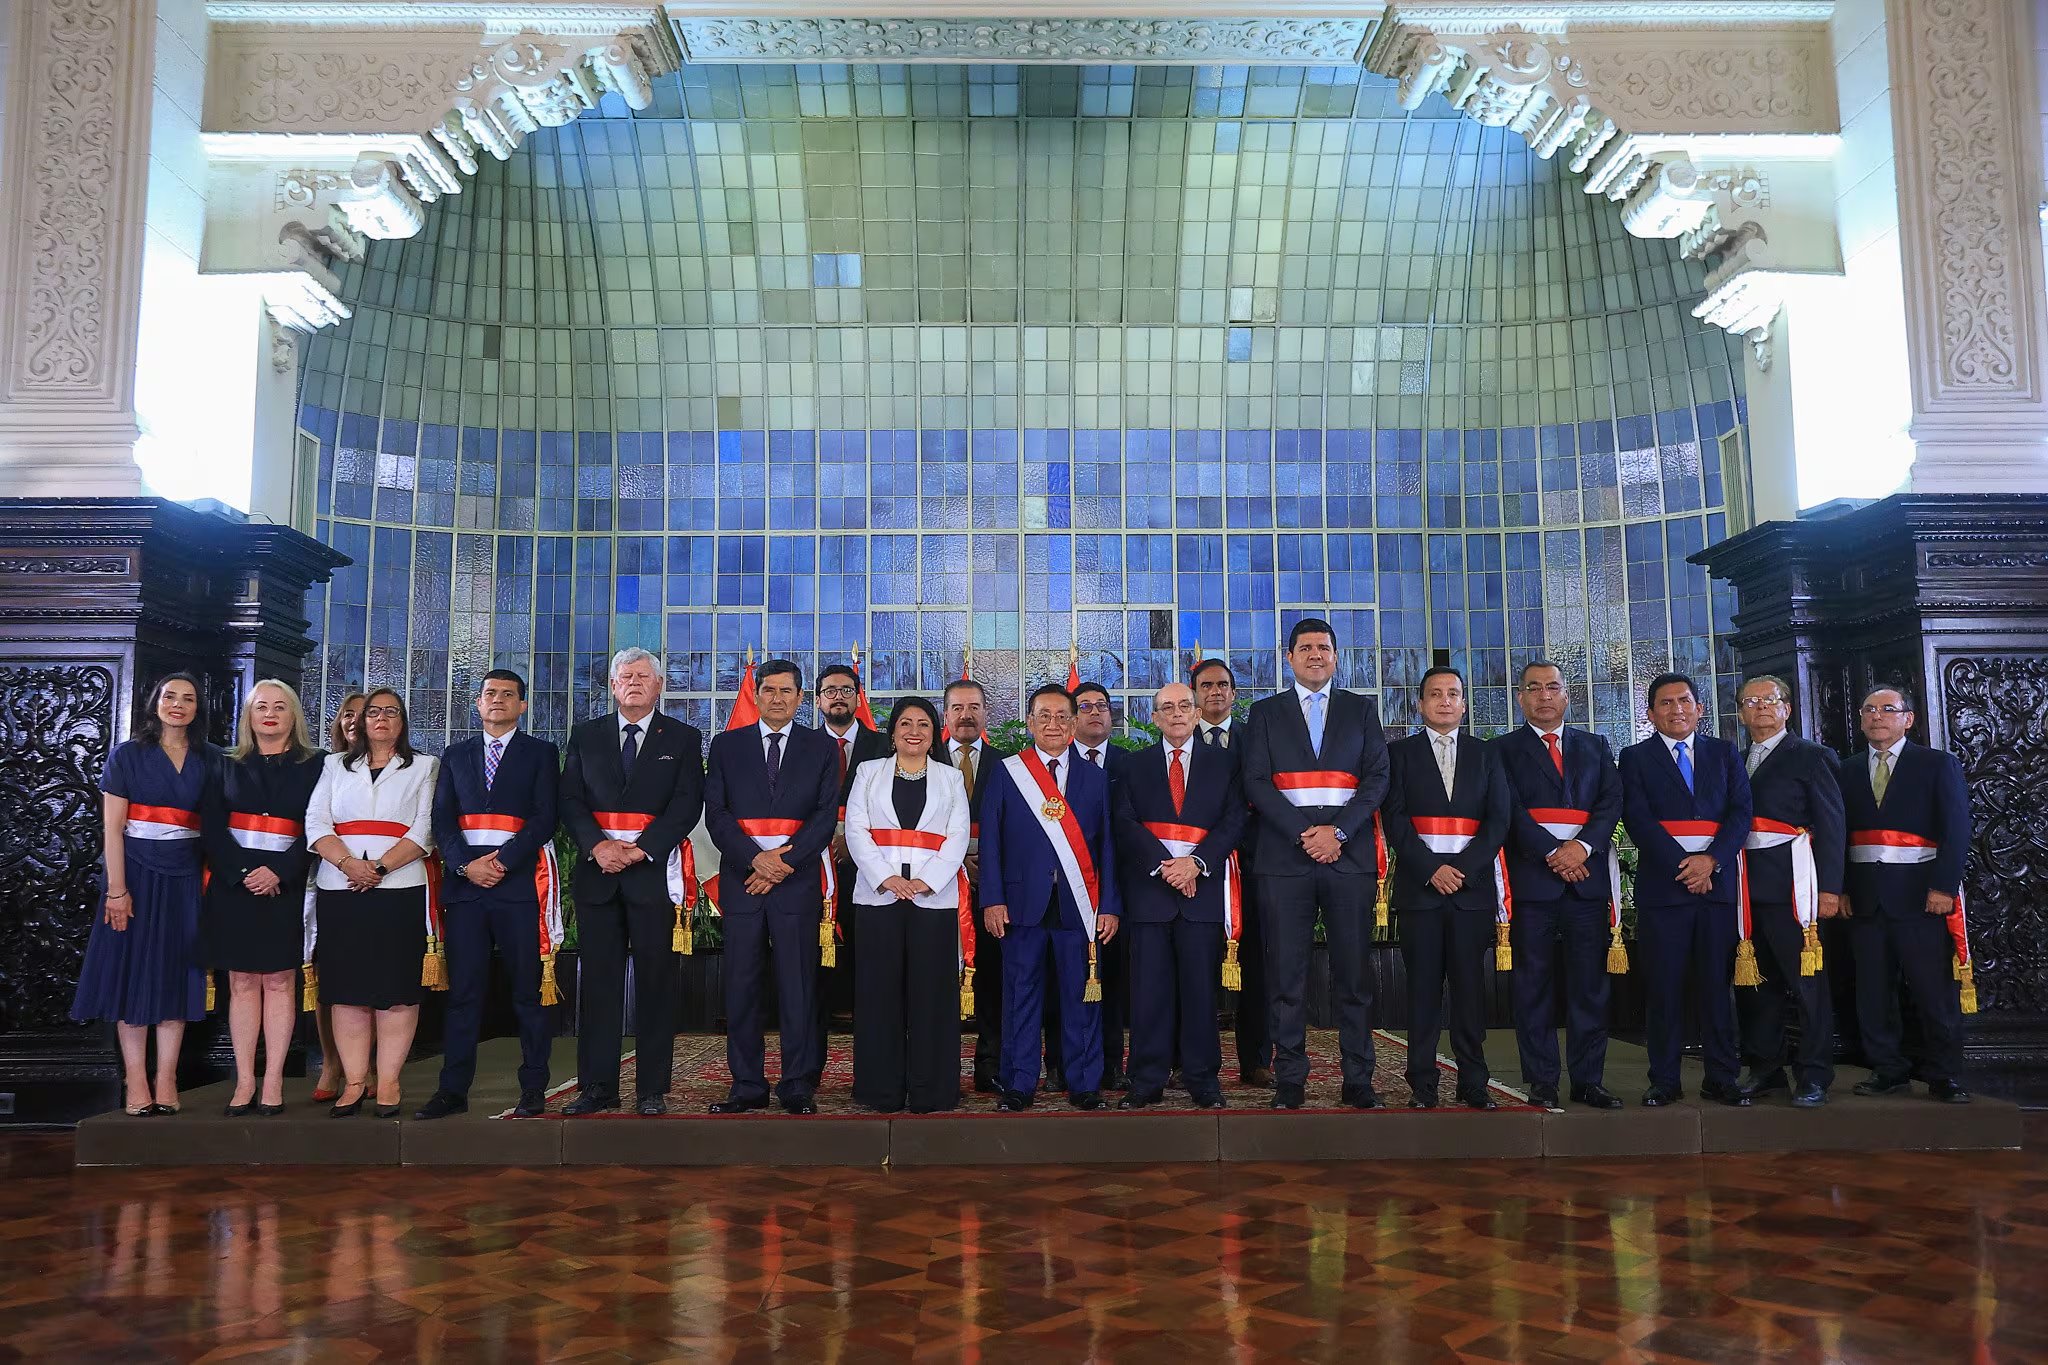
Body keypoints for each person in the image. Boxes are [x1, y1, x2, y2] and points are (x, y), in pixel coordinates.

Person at [1240, 618, 1389, 1109]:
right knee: (1286, 975)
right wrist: (1306, 834)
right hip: (1285, 860)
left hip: (1348, 860)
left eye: (1324, 647)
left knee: (1353, 975)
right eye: (1305, 648)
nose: (1315, 655)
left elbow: (1376, 779)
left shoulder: (1361, 711)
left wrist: (1339, 832)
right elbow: (1257, 781)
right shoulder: (1264, 714)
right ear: (1289, 658)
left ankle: (1357, 1078)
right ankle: (1290, 1079)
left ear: (1336, 655)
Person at [559, 647, 705, 1116]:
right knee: (597, 985)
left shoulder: (682, 737)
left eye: (644, 676)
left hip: (650, 876)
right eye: (626, 676)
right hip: (598, 873)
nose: (635, 682)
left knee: (655, 984)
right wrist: (597, 846)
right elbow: (570, 800)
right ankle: (597, 1087)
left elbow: (687, 803)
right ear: (613, 685)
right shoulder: (586, 735)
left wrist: (642, 849)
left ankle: (650, 1089)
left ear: (659, 685)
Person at [416, 670, 561, 1122]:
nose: (497, 700)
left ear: (522, 705)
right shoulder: (454, 755)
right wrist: (465, 865)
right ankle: (452, 1090)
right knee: (464, 994)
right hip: (465, 890)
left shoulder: (541, 753)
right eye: (489, 693)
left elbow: (545, 817)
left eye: (507, 694)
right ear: (477, 703)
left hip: (516, 887)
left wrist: (503, 862)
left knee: (526, 992)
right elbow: (441, 819)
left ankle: (534, 1087)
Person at [72, 673, 218, 1116]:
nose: (178, 705)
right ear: (155, 703)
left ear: (198, 709)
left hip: (187, 879)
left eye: (188, 699)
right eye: (170, 696)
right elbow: (112, 829)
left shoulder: (212, 759)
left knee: (178, 974)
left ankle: (166, 1077)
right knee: (130, 974)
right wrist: (117, 890)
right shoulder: (127, 755)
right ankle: (135, 1077)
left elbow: (214, 827)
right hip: (133, 878)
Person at [703, 659, 840, 1115]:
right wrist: (755, 861)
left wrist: (782, 863)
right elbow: (716, 816)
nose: (778, 698)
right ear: (755, 695)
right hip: (742, 881)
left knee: (797, 986)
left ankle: (797, 1084)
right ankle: (747, 1084)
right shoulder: (726, 745)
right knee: (741, 985)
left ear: (801, 699)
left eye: (787, 691)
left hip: (797, 882)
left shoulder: (822, 748)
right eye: (769, 690)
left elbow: (824, 818)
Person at [978, 684, 1122, 1111]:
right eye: (1044, 716)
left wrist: (1110, 904)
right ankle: (1019, 1082)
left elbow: (1108, 847)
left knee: (1082, 995)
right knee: (1021, 996)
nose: (1054, 724)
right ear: (1030, 723)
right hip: (1021, 904)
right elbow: (992, 842)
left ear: (1075, 722)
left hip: (1080, 905)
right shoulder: (1008, 772)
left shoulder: (1095, 777)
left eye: (1063, 716)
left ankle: (1084, 1082)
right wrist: (992, 899)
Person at [1492, 660, 1626, 1111]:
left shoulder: (1595, 745)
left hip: (1586, 884)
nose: (1544, 695)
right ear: (1521, 698)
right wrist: (1553, 852)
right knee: (1534, 987)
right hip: (1533, 885)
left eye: (1553, 687)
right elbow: (1507, 810)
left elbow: (1611, 801)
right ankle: (1542, 1079)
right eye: (1534, 688)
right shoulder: (1502, 750)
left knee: (1590, 987)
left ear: (1567, 695)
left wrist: (1583, 847)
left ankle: (1589, 1079)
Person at [1619, 672, 1753, 1108]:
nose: (1677, 709)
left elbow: (1740, 814)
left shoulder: (1725, 753)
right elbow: (1639, 820)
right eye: (1666, 703)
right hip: (1665, 888)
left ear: (1699, 708)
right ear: (1651, 712)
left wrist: (1710, 860)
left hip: (1716, 887)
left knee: (1717, 985)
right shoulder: (1634, 757)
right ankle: (1664, 1079)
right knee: (1664, 987)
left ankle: (1722, 1076)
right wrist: (1686, 864)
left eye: (1684, 701)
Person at [1381, 666, 1511, 1110]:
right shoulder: (1399, 754)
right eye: (1434, 694)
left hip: (1471, 893)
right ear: (1420, 704)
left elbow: (1498, 822)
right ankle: (1423, 1084)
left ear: (1464, 703)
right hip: (1421, 892)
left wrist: (1463, 870)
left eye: (1453, 694)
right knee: (1421, 992)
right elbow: (1394, 820)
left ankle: (1474, 1082)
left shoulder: (1487, 754)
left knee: (1471, 993)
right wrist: (1431, 870)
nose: (1444, 701)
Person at [305, 688, 440, 1118]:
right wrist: (348, 864)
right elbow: (315, 822)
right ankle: (355, 1081)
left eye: (391, 712)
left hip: (399, 889)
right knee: (347, 991)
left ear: (403, 722)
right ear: (360, 722)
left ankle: (388, 1080)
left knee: (395, 989)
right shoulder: (334, 765)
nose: (381, 719)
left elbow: (424, 831)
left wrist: (378, 869)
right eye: (373, 712)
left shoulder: (424, 766)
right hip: (340, 887)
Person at [1110, 681, 1245, 1108]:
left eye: (1184, 705)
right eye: (1166, 708)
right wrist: (1166, 867)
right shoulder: (1133, 765)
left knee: (1201, 993)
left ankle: (1203, 1079)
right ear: (1154, 718)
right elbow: (1124, 822)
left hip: (1202, 894)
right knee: (1149, 993)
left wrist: (1196, 864)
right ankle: (1147, 1080)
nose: (1176, 713)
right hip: (1150, 896)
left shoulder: (1225, 764)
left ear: (1197, 710)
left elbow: (1234, 820)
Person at [1838, 684, 1974, 1104]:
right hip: (1863, 900)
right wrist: (1838, 889)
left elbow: (1956, 830)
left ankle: (1944, 1075)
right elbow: (1835, 836)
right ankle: (1888, 1069)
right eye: (1869, 709)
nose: (1876, 716)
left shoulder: (1937, 765)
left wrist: (1943, 888)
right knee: (1873, 992)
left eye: (1887, 709)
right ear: (1860, 719)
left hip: (1922, 898)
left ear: (1908, 718)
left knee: (1933, 990)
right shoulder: (1846, 769)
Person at [200, 679, 323, 1116]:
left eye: (279, 707)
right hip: (236, 888)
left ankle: (273, 1080)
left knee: (279, 981)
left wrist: (281, 871)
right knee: (242, 982)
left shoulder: (317, 765)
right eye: (260, 708)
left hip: (285, 887)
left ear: (294, 715)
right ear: (248, 717)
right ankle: (245, 1080)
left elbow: (319, 826)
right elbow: (211, 827)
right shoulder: (224, 763)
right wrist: (245, 873)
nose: (269, 715)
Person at [844, 695, 971, 1113]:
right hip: (878, 896)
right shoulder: (867, 772)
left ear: (935, 735)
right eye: (905, 724)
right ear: (893, 732)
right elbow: (857, 831)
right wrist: (888, 878)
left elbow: (957, 839)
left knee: (931, 997)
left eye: (923, 725)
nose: (914, 731)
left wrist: (924, 881)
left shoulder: (951, 780)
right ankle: (879, 1090)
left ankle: (932, 1091)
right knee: (879, 995)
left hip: (932, 900)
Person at [1732, 675, 1846, 1107]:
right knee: (1757, 985)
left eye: (1770, 699)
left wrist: (1831, 890)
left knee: (1807, 985)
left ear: (1787, 708)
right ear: (1740, 711)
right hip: (1744, 888)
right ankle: (1766, 1068)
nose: (1761, 707)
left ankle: (1815, 1074)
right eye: (1751, 701)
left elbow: (1833, 826)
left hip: (1795, 889)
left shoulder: (1813, 756)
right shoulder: (1736, 758)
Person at [1194, 658, 1268, 1086]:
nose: (1215, 692)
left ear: (1234, 694)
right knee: (1195, 969)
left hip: (1251, 869)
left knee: (1256, 968)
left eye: (1223, 685)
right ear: (1194, 694)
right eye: (1206, 685)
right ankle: (1190, 1062)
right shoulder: (1181, 743)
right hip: (1198, 871)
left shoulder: (1254, 741)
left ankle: (1256, 1059)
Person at [814, 662, 888, 1086]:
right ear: (819, 700)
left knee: (873, 972)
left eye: (846, 689)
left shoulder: (884, 746)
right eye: (829, 690)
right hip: (815, 874)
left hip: (875, 874)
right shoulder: (803, 746)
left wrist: (855, 842)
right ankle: (812, 1068)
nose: (838, 697)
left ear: (859, 697)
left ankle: (875, 1066)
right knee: (817, 977)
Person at [949, 678, 1022, 1093]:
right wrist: (958, 863)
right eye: (958, 708)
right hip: (938, 889)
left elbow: (1020, 830)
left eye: (974, 707)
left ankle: (990, 1064)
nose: (966, 715)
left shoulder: (1008, 765)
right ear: (946, 715)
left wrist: (987, 869)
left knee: (994, 978)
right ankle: (939, 1063)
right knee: (942, 978)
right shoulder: (924, 760)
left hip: (993, 890)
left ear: (986, 715)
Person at [311, 690, 367, 1102]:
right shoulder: (322, 764)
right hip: (328, 876)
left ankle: (370, 1067)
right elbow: (315, 819)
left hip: (385, 877)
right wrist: (346, 862)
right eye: (348, 714)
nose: (355, 722)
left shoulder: (411, 765)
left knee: (373, 974)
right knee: (328, 973)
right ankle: (332, 1061)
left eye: (364, 715)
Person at [1070, 680, 1126, 1091]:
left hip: (1117, 891)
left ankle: (1112, 1064)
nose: (1094, 712)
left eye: (1101, 706)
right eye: (1084, 706)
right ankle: (1060, 1063)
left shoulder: (1132, 764)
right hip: (1067, 895)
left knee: (1115, 983)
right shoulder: (1050, 765)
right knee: (1068, 984)